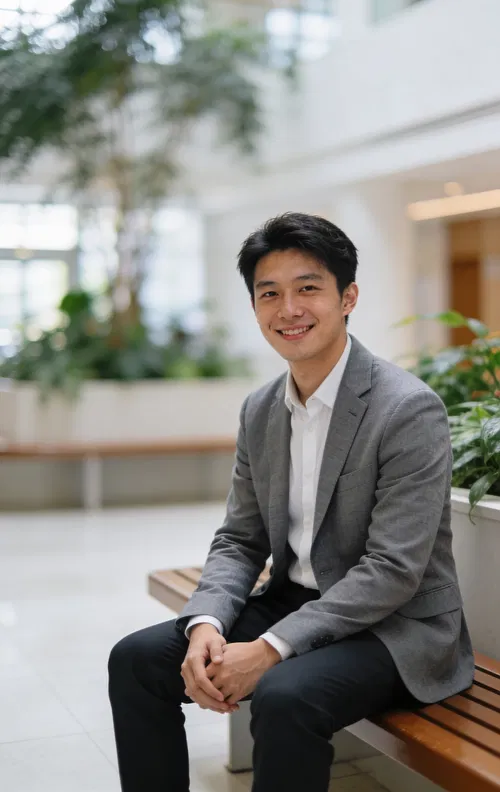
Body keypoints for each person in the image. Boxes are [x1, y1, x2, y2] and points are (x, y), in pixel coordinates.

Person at [108, 212, 474, 792]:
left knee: (283, 694)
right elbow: (239, 538)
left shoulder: (407, 409)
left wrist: (271, 648)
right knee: (137, 659)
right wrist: (207, 622)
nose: (289, 309)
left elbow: (393, 570)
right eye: (269, 293)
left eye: (308, 288)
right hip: (294, 599)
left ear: (348, 296)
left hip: (396, 628)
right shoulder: (261, 410)